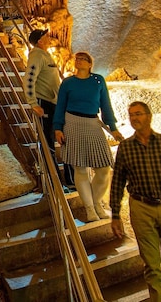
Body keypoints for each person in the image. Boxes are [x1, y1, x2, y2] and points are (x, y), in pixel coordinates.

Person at [110, 101, 161, 302]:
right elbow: (117, 182)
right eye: (131, 115)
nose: (134, 118)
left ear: (149, 116)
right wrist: (115, 214)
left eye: (138, 114)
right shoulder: (126, 147)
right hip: (142, 208)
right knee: (151, 265)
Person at [54, 51, 123, 221]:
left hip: (93, 123)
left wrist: (112, 127)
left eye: (84, 59)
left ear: (90, 64)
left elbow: (106, 105)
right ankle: (90, 208)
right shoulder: (68, 82)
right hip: (72, 123)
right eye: (78, 58)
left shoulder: (98, 80)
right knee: (80, 168)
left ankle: (97, 201)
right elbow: (60, 105)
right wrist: (58, 127)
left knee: (103, 168)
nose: (79, 61)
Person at [22, 28, 71, 186]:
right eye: (46, 36)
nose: (50, 37)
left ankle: (68, 178)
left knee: (60, 137)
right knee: (47, 141)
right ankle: (53, 180)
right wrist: (33, 103)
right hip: (44, 103)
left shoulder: (44, 55)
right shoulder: (36, 55)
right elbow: (29, 78)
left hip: (53, 103)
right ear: (40, 40)